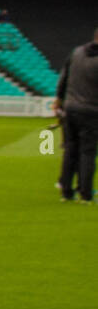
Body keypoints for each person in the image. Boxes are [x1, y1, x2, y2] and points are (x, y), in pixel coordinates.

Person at [55, 26, 98, 204]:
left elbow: (63, 79)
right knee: (87, 152)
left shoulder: (76, 52)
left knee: (70, 150)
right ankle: (85, 193)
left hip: (70, 108)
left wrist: (58, 100)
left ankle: (66, 191)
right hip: (91, 110)